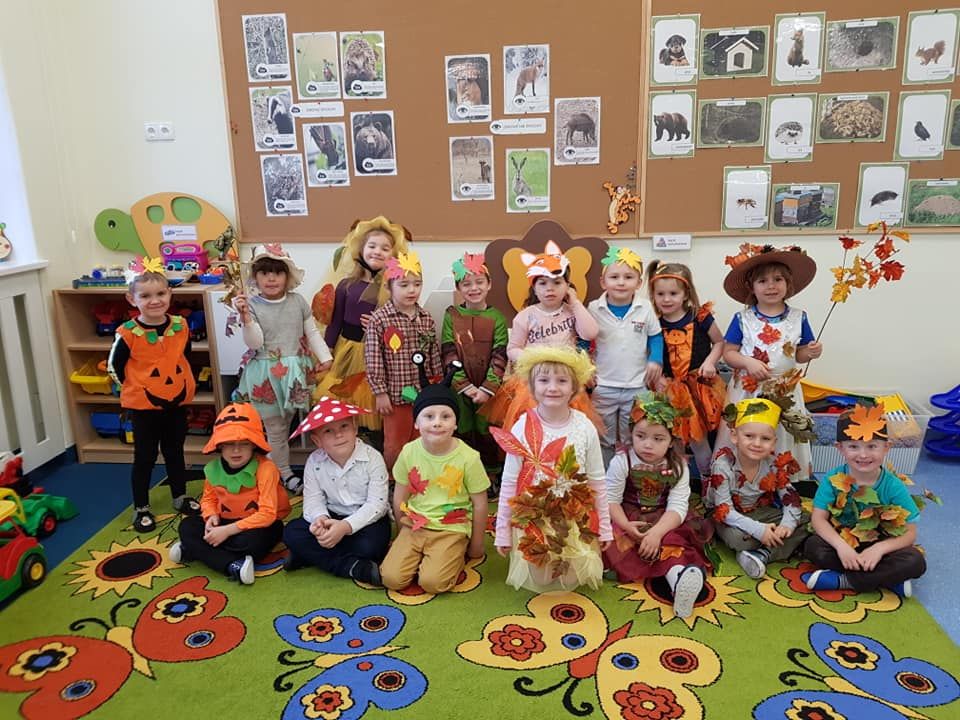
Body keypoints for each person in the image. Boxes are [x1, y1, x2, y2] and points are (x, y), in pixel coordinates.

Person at [493, 346, 612, 592]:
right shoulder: (522, 426)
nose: (553, 387)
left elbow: (597, 480)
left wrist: (604, 528)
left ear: (574, 387)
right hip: (534, 516)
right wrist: (502, 532)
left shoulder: (584, 427)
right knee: (542, 579)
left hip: (573, 515)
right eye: (544, 380)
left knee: (571, 578)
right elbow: (509, 481)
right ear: (532, 386)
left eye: (562, 381)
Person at [108, 256, 201, 533]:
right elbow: (115, 367)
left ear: (169, 294)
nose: (155, 301)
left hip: (176, 403)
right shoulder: (128, 333)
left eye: (160, 293)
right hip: (143, 407)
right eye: (145, 296)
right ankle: (141, 507)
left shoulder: (180, 326)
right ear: (131, 299)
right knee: (145, 457)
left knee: (175, 451)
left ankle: (179, 496)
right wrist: (138, 388)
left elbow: (185, 358)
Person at [603, 392, 713, 618]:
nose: (647, 444)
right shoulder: (622, 460)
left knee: (673, 541)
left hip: (663, 518)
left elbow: (677, 507)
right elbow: (611, 500)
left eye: (658, 439)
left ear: (671, 441)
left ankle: (678, 580)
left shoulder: (678, 466)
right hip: (627, 516)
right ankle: (665, 573)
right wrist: (626, 525)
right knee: (613, 541)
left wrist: (656, 533)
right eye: (640, 436)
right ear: (631, 434)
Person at [234, 244, 332, 493]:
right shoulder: (252, 305)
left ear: (287, 276)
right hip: (266, 375)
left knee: (286, 424)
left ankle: (273, 466)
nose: (271, 278)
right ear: (255, 277)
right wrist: (246, 318)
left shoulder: (298, 301)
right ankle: (283, 473)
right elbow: (255, 343)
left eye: (277, 272)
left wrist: (325, 356)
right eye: (264, 272)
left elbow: (311, 332)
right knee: (275, 429)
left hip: (295, 373)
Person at [718, 244, 823, 477]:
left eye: (778, 279)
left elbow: (799, 354)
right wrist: (748, 362)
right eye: (763, 281)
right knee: (748, 432)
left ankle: (781, 479)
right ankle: (740, 478)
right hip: (749, 390)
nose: (771, 286)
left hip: (785, 390)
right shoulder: (743, 318)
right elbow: (729, 353)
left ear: (788, 284)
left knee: (781, 434)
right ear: (752, 287)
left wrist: (811, 352)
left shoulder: (799, 317)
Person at [803, 404, 926, 597]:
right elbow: (819, 519)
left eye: (872, 446)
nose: (863, 455)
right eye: (853, 446)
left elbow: (910, 533)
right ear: (840, 448)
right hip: (844, 540)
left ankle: (844, 581)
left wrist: (879, 549)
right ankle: (887, 579)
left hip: (880, 544)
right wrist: (841, 546)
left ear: (886, 447)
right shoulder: (832, 479)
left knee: (915, 561)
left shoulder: (893, 486)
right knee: (813, 547)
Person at [380, 383, 489, 594]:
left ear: (456, 423)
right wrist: (402, 531)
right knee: (391, 578)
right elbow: (400, 497)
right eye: (429, 416)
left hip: (451, 528)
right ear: (417, 423)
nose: (437, 423)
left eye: (445, 416)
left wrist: (476, 544)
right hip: (415, 524)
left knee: (433, 583)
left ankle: (453, 555)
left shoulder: (469, 457)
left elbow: (480, 503)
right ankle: (424, 558)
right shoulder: (408, 452)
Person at [482, 240, 600, 433]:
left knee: (565, 426)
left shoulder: (572, 311)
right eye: (542, 283)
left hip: (564, 380)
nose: (549, 289)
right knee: (534, 427)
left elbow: (590, 333)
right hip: (534, 382)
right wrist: (532, 358)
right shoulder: (526, 316)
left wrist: (575, 303)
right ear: (534, 288)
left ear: (568, 286)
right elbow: (512, 349)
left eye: (557, 282)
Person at [169, 403, 290, 585]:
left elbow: (267, 514)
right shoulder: (213, 469)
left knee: (254, 542)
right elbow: (208, 499)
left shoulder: (266, 468)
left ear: (254, 445)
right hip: (224, 521)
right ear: (219, 446)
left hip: (256, 526)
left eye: (244, 444)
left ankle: (195, 550)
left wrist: (226, 531)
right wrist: (211, 516)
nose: (236, 450)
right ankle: (230, 564)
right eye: (229, 444)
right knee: (187, 526)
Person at [314, 217, 410, 436]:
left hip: (380, 355)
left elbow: (404, 322)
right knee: (347, 396)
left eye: (385, 248)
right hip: (349, 352)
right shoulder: (346, 286)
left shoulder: (395, 289)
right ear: (361, 249)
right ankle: (352, 438)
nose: (378, 252)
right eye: (372, 246)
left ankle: (374, 441)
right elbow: (335, 323)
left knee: (374, 400)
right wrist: (327, 353)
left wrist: (382, 325)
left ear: (393, 255)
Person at [282, 397, 390, 584]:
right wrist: (320, 520)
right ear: (317, 440)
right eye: (328, 431)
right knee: (291, 532)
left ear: (355, 429)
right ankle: (353, 567)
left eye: (344, 427)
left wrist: (345, 527)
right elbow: (313, 500)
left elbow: (376, 505)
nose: (339, 435)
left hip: (365, 519)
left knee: (371, 546)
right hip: (331, 516)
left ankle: (309, 555)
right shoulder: (314, 462)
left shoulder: (373, 458)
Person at [704, 398, 809, 579]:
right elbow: (725, 511)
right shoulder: (723, 465)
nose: (757, 443)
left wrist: (786, 525)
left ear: (774, 442)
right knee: (739, 539)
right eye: (749, 436)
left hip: (759, 511)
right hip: (725, 515)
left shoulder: (774, 463)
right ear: (734, 436)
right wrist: (759, 530)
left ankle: (762, 554)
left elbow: (790, 499)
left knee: (808, 520)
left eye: (765, 439)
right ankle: (765, 546)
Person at [363, 251, 442, 470]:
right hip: (395, 396)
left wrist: (437, 386)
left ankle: (421, 477)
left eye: (417, 284)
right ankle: (393, 479)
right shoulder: (380, 319)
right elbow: (373, 358)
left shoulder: (425, 318)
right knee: (395, 442)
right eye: (404, 285)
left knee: (423, 437)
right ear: (389, 287)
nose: (412, 290)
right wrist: (380, 392)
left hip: (423, 394)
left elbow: (433, 354)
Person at [646, 260, 726, 476]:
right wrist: (657, 377)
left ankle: (710, 483)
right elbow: (648, 353)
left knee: (699, 440)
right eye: (660, 294)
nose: (666, 299)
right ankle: (680, 483)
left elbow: (719, 342)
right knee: (674, 439)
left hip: (699, 388)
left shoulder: (700, 317)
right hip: (668, 389)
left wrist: (710, 362)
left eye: (673, 293)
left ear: (686, 294)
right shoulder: (654, 322)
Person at [587, 246, 662, 465]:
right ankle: (606, 474)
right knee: (604, 435)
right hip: (604, 385)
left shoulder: (645, 307)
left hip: (637, 385)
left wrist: (655, 360)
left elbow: (656, 337)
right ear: (603, 282)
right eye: (614, 277)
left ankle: (632, 473)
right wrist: (585, 368)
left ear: (639, 283)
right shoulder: (593, 308)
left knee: (635, 433)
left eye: (628, 277)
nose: (621, 282)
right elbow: (583, 340)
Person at [441, 252, 508, 485]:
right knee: (462, 427)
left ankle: (490, 474)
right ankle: (463, 472)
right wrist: (464, 385)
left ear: (489, 284)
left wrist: (487, 388)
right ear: (458, 288)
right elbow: (448, 351)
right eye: (466, 283)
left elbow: (500, 355)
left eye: (479, 282)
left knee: (486, 429)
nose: (474, 288)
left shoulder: (497, 318)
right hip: (460, 388)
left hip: (488, 391)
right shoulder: (452, 315)